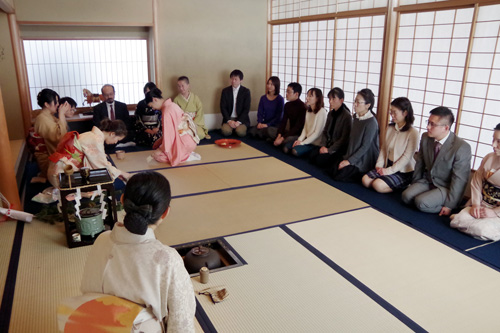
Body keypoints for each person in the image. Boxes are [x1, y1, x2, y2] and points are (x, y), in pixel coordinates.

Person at [81, 171, 196, 332]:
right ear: (165, 212)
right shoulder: (167, 258)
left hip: (88, 323)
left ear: (122, 201)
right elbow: (181, 321)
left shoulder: (102, 239)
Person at [402, 106, 471, 215]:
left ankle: (450, 207)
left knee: (421, 202)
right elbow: (420, 163)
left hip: (445, 187)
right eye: (428, 122)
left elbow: (459, 180)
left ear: (446, 128)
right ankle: (426, 199)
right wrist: (415, 183)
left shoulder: (461, 147)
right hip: (428, 181)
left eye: (432, 124)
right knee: (406, 196)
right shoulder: (426, 137)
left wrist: (450, 205)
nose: (428, 127)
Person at [47, 119, 131, 188]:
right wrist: (123, 174)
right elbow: (101, 166)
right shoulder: (96, 140)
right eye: (117, 139)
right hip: (63, 172)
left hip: (60, 165)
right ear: (112, 134)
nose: (116, 142)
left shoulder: (92, 135)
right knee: (99, 185)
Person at [451, 124, 500, 240]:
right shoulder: (489, 157)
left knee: (483, 230)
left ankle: (482, 228)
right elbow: (477, 182)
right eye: (493, 140)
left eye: (499, 142)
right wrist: (476, 205)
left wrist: (494, 213)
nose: (493, 145)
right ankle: (476, 227)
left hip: (497, 212)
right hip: (482, 205)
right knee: (457, 220)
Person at [362, 97, 419, 193]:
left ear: (405, 113)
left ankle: (403, 185)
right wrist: (379, 166)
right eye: (391, 112)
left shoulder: (413, 132)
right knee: (365, 180)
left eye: (394, 112)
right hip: (387, 165)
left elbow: (406, 158)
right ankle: (387, 182)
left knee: (377, 185)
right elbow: (383, 149)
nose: (391, 115)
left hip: (403, 171)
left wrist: (387, 171)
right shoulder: (390, 128)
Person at [329, 88, 379, 182]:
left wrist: (349, 161)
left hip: (363, 159)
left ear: (368, 105)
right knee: (331, 170)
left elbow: (365, 147)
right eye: (355, 101)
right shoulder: (355, 117)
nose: (355, 104)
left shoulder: (371, 123)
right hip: (351, 154)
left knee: (338, 176)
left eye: (358, 102)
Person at [147, 88, 200, 166]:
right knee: (159, 147)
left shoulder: (167, 111)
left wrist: (159, 150)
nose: (153, 108)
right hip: (189, 139)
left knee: (159, 157)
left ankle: (186, 156)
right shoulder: (171, 105)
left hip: (184, 142)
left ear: (155, 100)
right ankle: (186, 152)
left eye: (152, 106)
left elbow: (170, 136)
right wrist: (160, 142)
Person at [32, 88, 72, 178]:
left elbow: (62, 130)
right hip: (49, 160)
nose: (58, 105)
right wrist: (61, 114)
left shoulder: (48, 116)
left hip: (54, 153)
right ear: (46, 104)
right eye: (56, 102)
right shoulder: (42, 119)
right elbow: (59, 137)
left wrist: (62, 114)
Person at [309, 87, 352, 169]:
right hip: (328, 144)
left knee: (319, 160)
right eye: (329, 99)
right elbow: (325, 132)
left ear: (341, 100)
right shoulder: (330, 114)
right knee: (311, 156)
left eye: (333, 99)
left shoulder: (347, 116)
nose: (330, 101)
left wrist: (329, 150)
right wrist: (323, 146)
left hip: (337, 148)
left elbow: (343, 139)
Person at [283, 88, 327, 157]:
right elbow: (305, 129)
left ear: (317, 98)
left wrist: (302, 143)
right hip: (306, 140)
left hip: (315, 143)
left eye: (310, 96)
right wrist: (299, 140)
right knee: (286, 148)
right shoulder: (308, 111)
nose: (307, 98)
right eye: (307, 95)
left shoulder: (322, 112)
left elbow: (317, 134)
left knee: (295, 151)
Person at [173, 76, 210, 140]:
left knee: (200, 134)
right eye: (179, 86)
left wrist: (193, 123)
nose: (181, 88)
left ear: (188, 85)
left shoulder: (195, 98)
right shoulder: (176, 99)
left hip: (195, 122)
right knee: (181, 134)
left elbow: (200, 111)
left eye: (182, 86)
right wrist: (185, 123)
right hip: (184, 123)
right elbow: (176, 114)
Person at [273, 82, 306, 148]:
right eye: (286, 92)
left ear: (296, 94)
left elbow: (297, 127)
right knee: (270, 130)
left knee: (287, 140)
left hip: (297, 134)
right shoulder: (287, 105)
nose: (286, 94)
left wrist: (282, 138)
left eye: (289, 92)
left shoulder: (302, 107)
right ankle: (278, 141)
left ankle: (280, 142)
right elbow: (283, 122)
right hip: (288, 132)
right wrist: (279, 135)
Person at [220, 69, 251, 137]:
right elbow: (223, 107)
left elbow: (246, 109)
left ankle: (236, 128)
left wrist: (238, 122)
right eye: (232, 79)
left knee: (241, 133)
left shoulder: (246, 91)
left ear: (241, 80)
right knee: (226, 132)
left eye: (235, 79)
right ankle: (231, 128)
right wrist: (229, 121)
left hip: (241, 119)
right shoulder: (225, 91)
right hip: (229, 118)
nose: (233, 81)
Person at [134, 82, 162, 147]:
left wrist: (157, 128)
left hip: (156, 127)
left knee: (159, 136)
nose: (148, 94)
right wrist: (145, 129)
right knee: (145, 136)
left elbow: (160, 117)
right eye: (146, 92)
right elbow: (138, 118)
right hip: (145, 127)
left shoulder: (158, 103)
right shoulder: (141, 104)